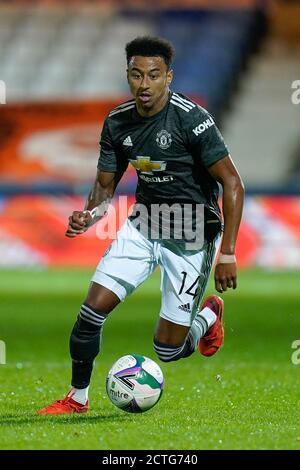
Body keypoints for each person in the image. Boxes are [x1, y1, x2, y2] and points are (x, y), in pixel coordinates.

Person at [38, 36, 244, 415]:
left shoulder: (192, 120)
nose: (144, 84)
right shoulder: (118, 122)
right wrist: (91, 215)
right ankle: (77, 398)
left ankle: (209, 315)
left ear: (169, 77)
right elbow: (104, 185)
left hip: (192, 235)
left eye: (153, 75)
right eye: (136, 75)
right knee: (91, 310)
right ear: (128, 76)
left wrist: (228, 252)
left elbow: (232, 183)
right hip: (144, 225)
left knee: (169, 350)